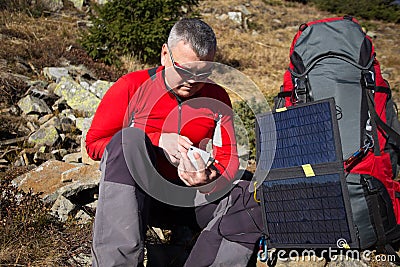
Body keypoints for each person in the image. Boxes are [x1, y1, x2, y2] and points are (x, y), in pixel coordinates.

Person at [87, 18, 264, 266]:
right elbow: (95, 143)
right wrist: (156, 141)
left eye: (203, 72)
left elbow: (229, 161)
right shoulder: (131, 86)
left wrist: (210, 178)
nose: (192, 80)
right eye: (184, 69)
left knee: (250, 196)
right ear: (164, 54)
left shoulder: (218, 98)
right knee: (129, 138)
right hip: (140, 198)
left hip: (191, 200)